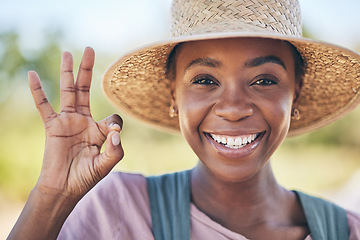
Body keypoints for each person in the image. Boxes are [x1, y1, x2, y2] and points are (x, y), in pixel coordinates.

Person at [8, 0, 360, 239]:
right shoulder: (117, 213)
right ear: (173, 94)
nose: (233, 108)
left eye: (264, 80)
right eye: (205, 80)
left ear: (294, 93)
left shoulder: (346, 231)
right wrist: (52, 196)